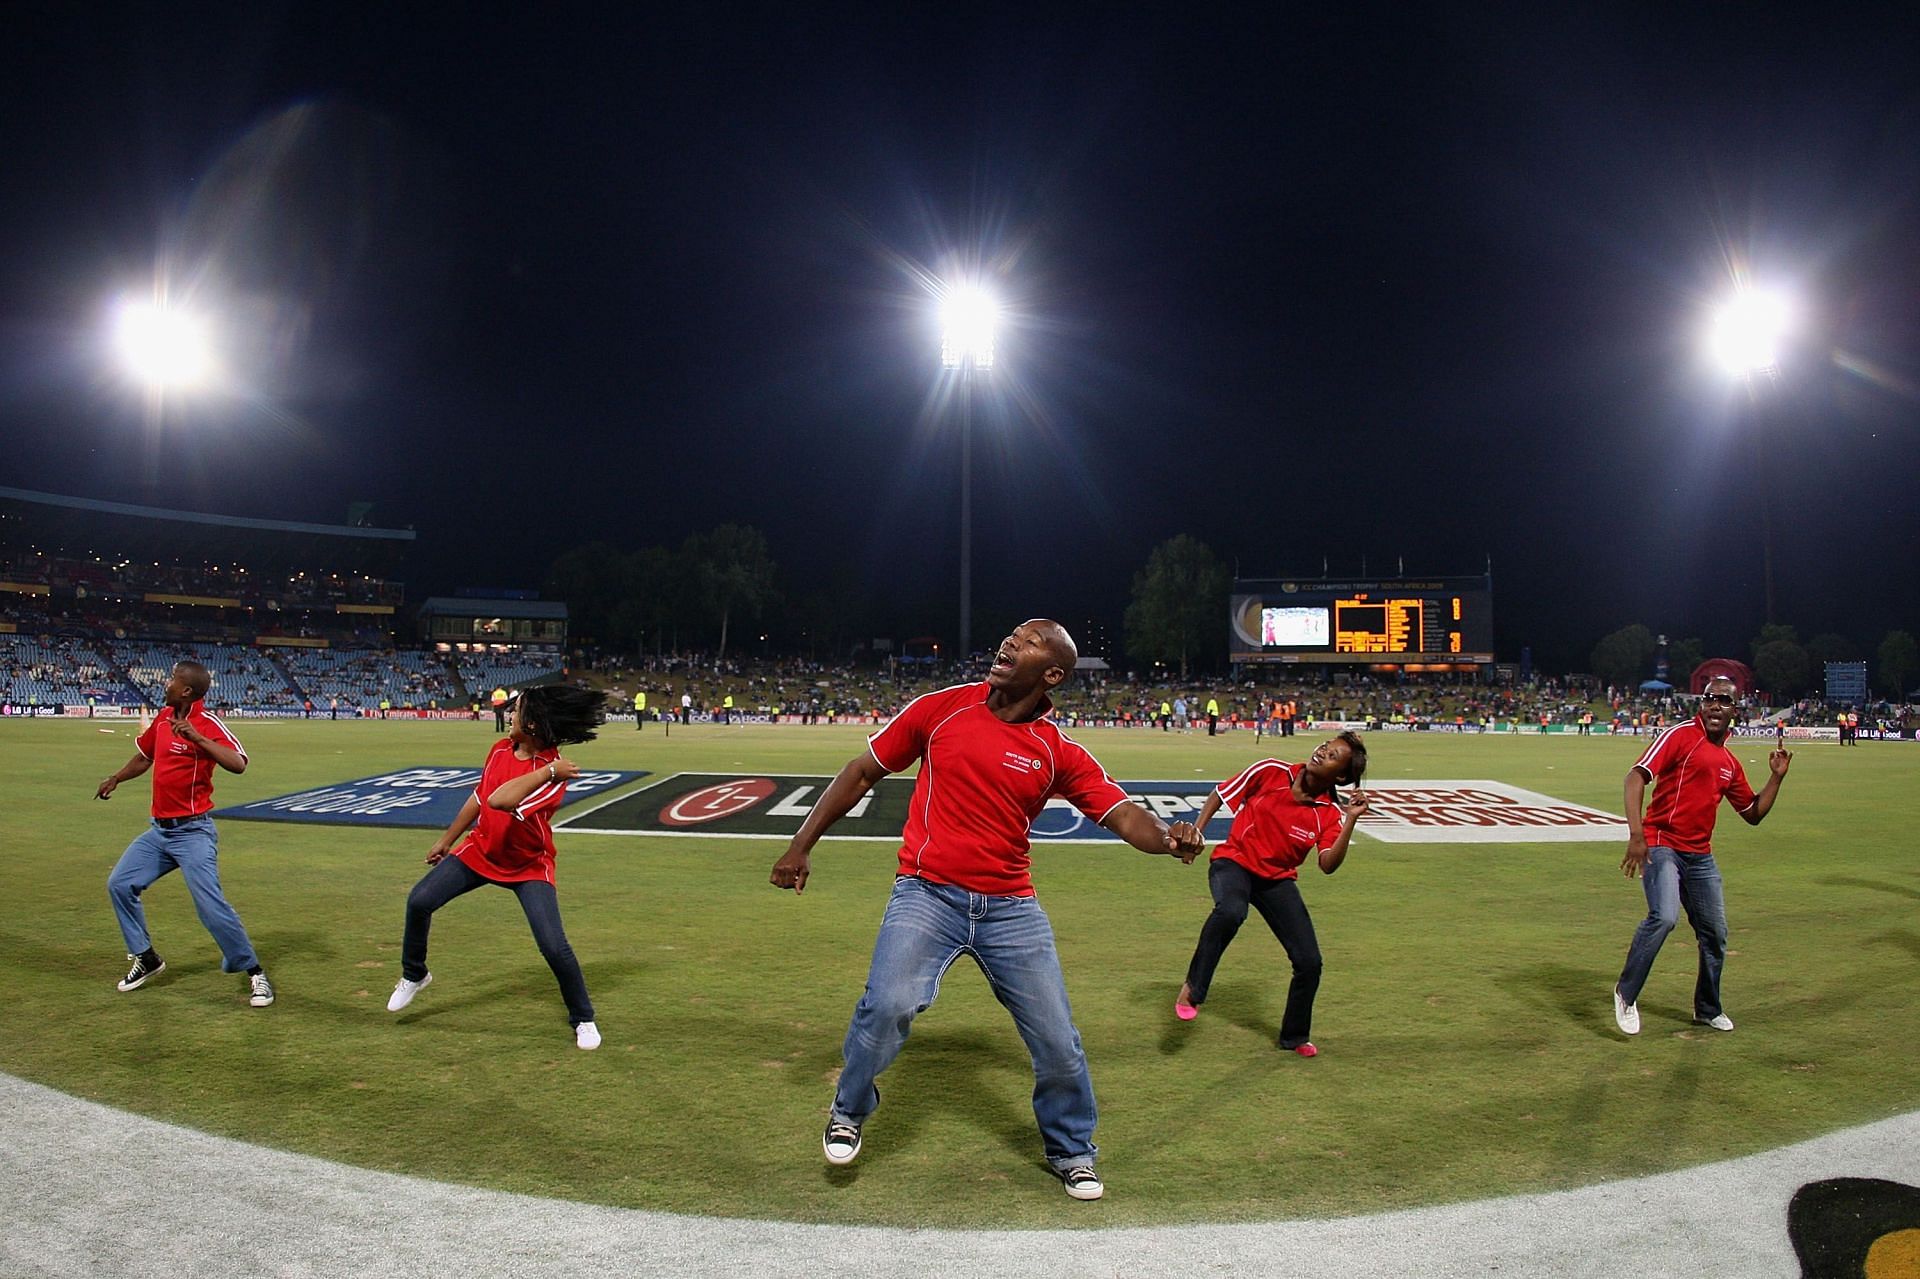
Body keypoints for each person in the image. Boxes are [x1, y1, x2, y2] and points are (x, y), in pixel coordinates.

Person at [769, 619, 1204, 1201]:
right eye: (1012, 636)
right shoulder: (940, 709)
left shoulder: (1058, 751)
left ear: (1052, 673)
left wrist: (1168, 839)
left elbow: (1125, 815)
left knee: (1056, 1041)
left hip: (1010, 909)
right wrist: (800, 845)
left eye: (1026, 642)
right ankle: (851, 1105)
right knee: (888, 1005)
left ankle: (1072, 1150)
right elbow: (860, 773)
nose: (1008, 644)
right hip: (927, 894)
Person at [388, 684, 611, 1049]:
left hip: (527, 865)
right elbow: (480, 797)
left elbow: (500, 799)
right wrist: (447, 840)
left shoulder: (552, 774)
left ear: (534, 724)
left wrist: (547, 772)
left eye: (516, 711)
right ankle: (415, 974)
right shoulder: (499, 749)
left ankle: (583, 1018)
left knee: (554, 947)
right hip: (481, 851)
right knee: (419, 901)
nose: (508, 715)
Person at [1612, 677, 1792, 1037]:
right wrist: (1636, 834)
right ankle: (1625, 994)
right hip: (1662, 843)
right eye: (1709, 698)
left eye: (1724, 701)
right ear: (1701, 703)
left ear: (1734, 710)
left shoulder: (1729, 761)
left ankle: (1707, 1009)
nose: (1715, 706)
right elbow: (1636, 777)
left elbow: (1753, 813)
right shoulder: (1680, 736)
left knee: (1715, 934)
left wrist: (1776, 778)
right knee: (1663, 917)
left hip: (1699, 857)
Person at [1174, 734, 1370, 1056]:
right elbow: (1219, 794)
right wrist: (1197, 833)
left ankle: (1294, 1037)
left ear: (1341, 776)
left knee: (1310, 962)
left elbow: (1328, 865)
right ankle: (1193, 989)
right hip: (1234, 862)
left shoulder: (1328, 813)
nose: (1322, 752)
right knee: (1231, 911)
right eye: (1325, 746)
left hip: (1276, 881)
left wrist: (1349, 819)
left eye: (1333, 755)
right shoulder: (1271, 771)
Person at [96, 659, 274, 1007]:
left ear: (187, 690)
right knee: (119, 884)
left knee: (210, 906)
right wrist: (116, 777)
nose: (166, 684)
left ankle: (255, 973)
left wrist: (198, 738)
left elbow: (239, 763)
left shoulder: (206, 723)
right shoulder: (163, 719)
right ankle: (146, 957)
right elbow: (145, 757)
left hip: (193, 832)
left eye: (173, 680)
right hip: (159, 833)